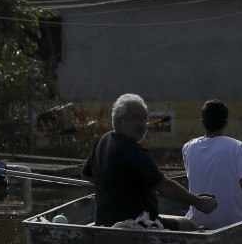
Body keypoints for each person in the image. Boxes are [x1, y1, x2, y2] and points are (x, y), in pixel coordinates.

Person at [82, 93, 216, 229]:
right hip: (136, 224)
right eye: (136, 118)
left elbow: (87, 175)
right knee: (189, 226)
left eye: (144, 119)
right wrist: (199, 202)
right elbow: (165, 186)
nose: (142, 125)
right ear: (120, 120)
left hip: (104, 222)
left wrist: (116, 189)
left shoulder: (103, 140)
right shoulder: (132, 150)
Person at [181, 100, 242, 230]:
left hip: (198, 221)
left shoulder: (188, 147)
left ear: (203, 122)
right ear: (225, 123)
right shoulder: (237, 147)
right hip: (233, 222)